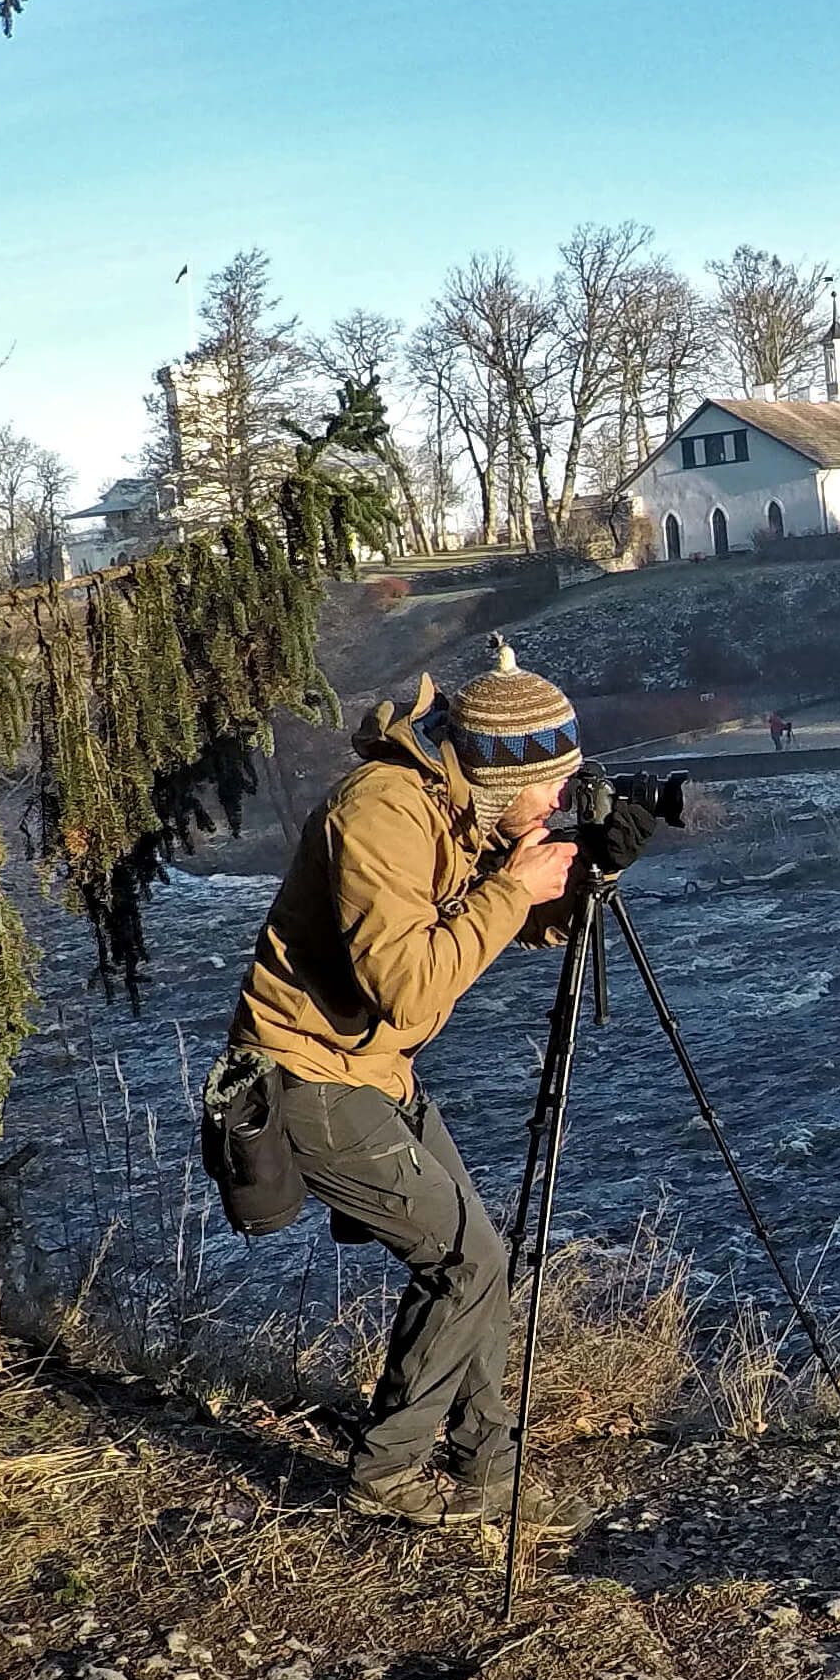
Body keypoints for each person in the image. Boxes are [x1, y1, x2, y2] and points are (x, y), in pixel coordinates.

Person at [224, 638, 649, 1530]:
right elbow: (408, 981)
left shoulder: (457, 811)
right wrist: (516, 885)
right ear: (499, 780)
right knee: (466, 1259)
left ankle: (488, 1470)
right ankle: (386, 1471)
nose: (562, 799)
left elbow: (494, 923)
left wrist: (583, 879)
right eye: (553, 785)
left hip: (373, 1068)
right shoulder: (380, 814)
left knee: (477, 1260)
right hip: (303, 1072)